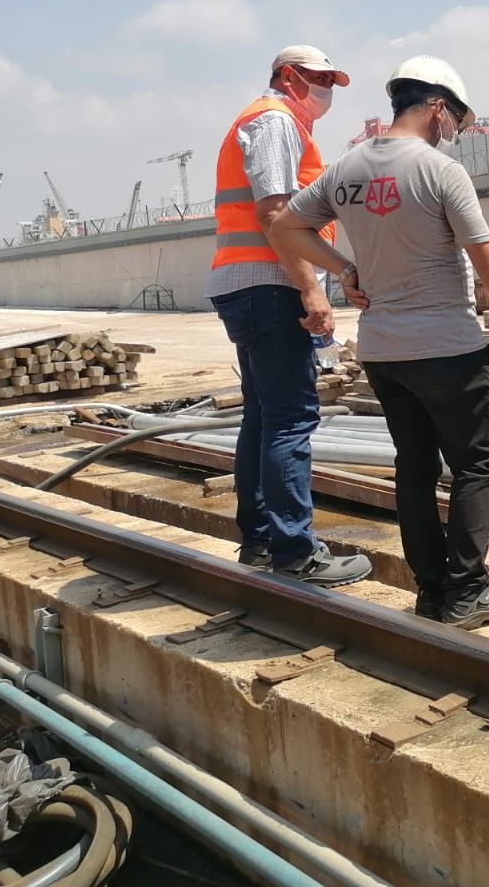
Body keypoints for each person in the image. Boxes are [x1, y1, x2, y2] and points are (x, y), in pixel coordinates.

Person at [271, 55, 489, 629]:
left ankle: (431, 591)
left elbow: (284, 226)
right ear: (438, 108)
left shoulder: (346, 168)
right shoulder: (439, 170)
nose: (456, 131)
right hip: (447, 347)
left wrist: (345, 269)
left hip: (382, 351)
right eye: (457, 120)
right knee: (475, 465)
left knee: (415, 467)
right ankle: (469, 591)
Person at [207, 45, 372, 588]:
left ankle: (259, 540)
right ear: (290, 76)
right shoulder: (275, 121)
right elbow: (276, 213)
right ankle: (295, 551)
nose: (326, 90)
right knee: (291, 420)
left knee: (261, 415)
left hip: (246, 286)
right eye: (320, 78)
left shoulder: (266, 122)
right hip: (271, 287)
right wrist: (313, 289)